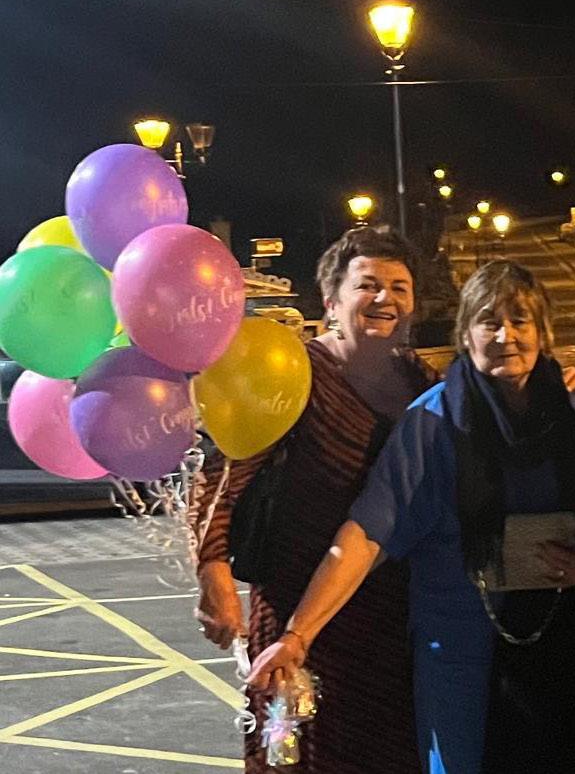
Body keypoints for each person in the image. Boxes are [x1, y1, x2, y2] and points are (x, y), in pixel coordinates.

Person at [245, 261, 575, 774]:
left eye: (520, 320)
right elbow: (368, 533)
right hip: (464, 660)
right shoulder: (433, 421)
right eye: (489, 322)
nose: (505, 336)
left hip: (566, 648)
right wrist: (297, 635)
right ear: (465, 333)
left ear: (543, 332)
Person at [193, 225, 431, 774]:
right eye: (367, 285)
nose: (384, 298)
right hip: (295, 610)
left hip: (391, 619)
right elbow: (221, 477)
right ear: (331, 299)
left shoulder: (420, 380)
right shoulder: (293, 372)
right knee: (297, 756)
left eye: (399, 287)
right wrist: (212, 570)